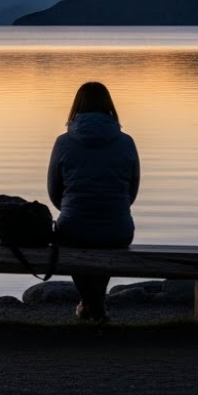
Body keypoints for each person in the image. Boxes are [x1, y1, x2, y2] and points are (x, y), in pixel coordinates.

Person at [47, 81, 140, 322]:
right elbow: (132, 193)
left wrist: (74, 208)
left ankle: (91, 303)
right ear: (110, 107)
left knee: (72, 235)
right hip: (118, 230)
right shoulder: (126, 142)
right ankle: (95, 305)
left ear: (76, 107)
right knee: (105, 236)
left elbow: (54, 193)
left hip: (73, 229)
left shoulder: (63, 142)